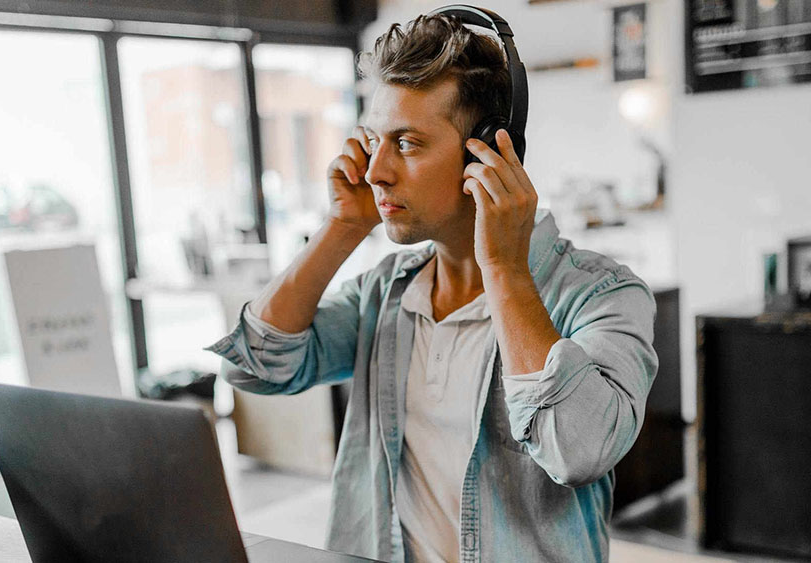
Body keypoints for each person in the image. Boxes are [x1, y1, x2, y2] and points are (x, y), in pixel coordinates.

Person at [205, 11, 657, 563]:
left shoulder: (602, 295)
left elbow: (580, 451)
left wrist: (506, 272)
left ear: (488, 152)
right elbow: (252, 367)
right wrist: (341, 229)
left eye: (409, 144)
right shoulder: (387, 292)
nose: (375, 172)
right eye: (375, 141)